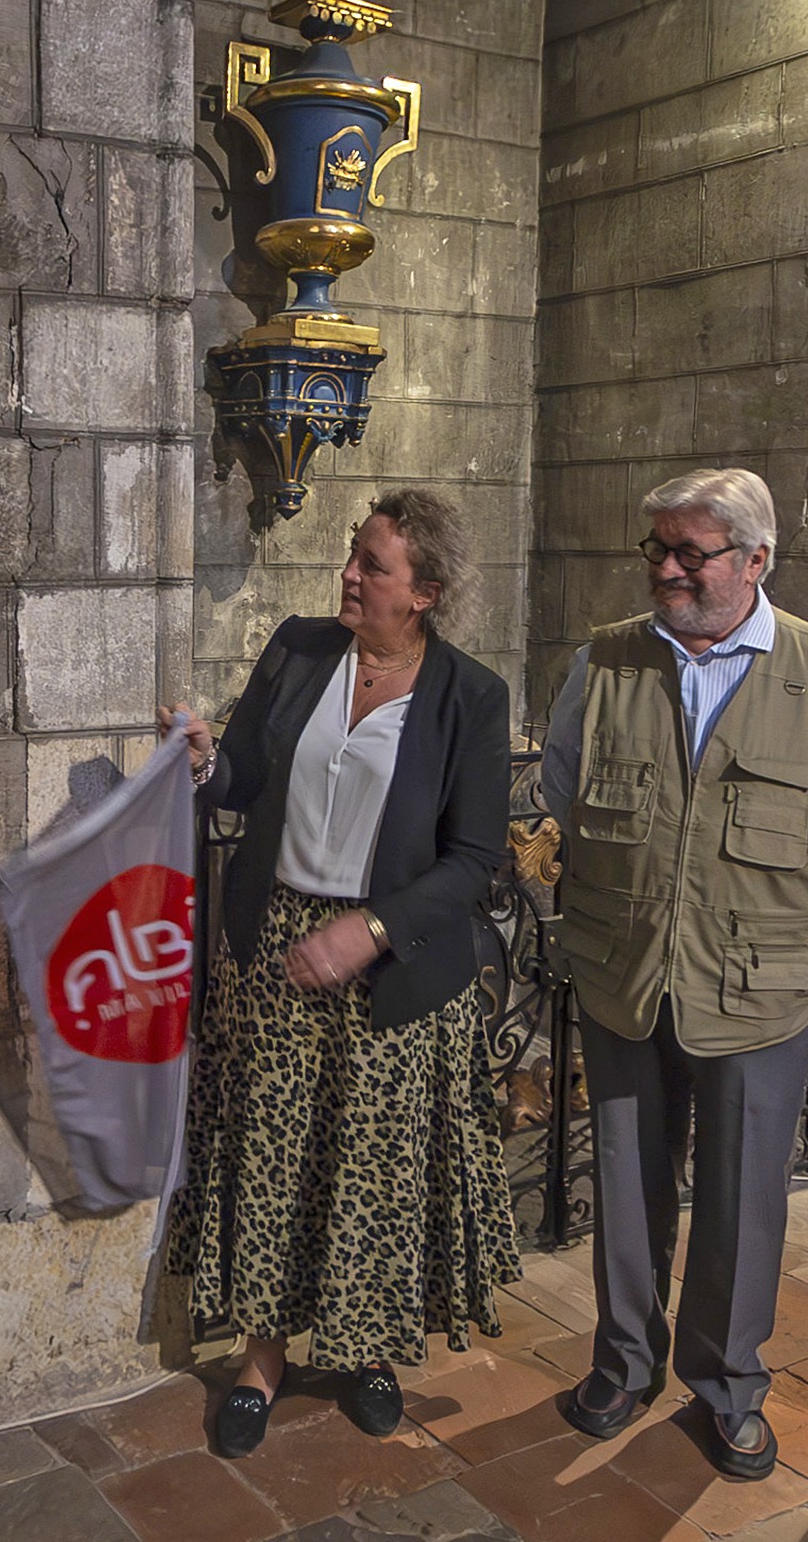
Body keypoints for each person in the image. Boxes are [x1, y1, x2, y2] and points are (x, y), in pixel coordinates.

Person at [540, 467, 808, 1478]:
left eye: (689, 552)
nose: (665, 569)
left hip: (759, 984)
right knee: (625, 1181)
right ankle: (621, 1364)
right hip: (625, 969)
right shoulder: (604, 664)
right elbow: (566, 789)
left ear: (754, 560)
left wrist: (767, 911)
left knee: (744, 1198)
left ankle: (728, 1383)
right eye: (655, 547)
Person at [158, 488, 520, 1457]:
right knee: (272, 1153)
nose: (348, 574)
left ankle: (365, 1351)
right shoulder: (299, 647)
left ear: (427, 594)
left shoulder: (472, 698)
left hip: (390, 963)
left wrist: (369, 930)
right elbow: (242, 775)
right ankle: (261, 1359)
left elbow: (475, 857)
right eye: (353, 555)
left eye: (373, 565)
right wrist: (203, 761)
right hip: (275, 944)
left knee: (373, 1163)